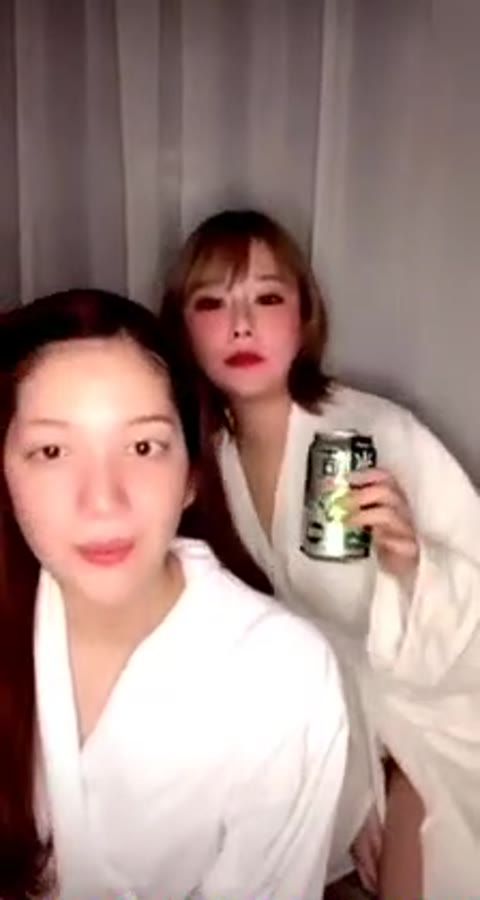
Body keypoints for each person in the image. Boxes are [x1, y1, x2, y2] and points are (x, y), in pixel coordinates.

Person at [158, 208, 480, 900]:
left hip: (438, 711)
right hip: (306, 721)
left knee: (429, 838)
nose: (242, 325)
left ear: (305, 316)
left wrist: (413, 564)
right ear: (182, 328)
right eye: (212, 303)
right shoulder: (189, 462)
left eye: (268, 298)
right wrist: (350, 783)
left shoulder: (379, 431)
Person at [0, 289, 347, 900]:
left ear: (191, 474)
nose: (103, 501)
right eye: (52, 451)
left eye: (143, 447)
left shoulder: (281, 673)